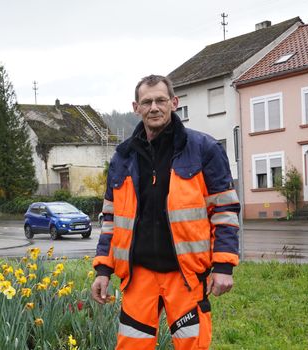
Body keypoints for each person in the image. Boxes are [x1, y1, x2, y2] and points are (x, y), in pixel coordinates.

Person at [91, 75, 240, 349]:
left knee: (192, 346)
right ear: (136, 107)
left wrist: (224, 266)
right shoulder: (123, 156)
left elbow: (225, 210)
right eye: (147, 102)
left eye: (160, 100)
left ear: (174, 103)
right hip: (138, 277)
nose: (154, 107)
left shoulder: (204, 149)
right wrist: (103, 269)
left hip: (185, 277)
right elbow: (110, 219)